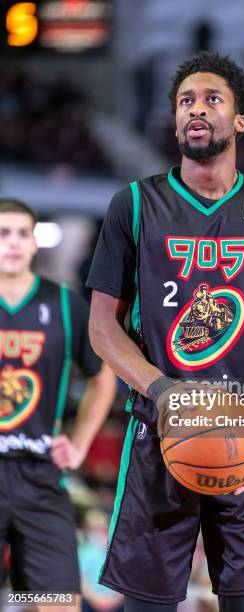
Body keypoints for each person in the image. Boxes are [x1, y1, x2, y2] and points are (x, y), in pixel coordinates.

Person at [87, 52, 244, 612]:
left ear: (240, 119)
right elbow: (103, 328)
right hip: (156, 430)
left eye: (212, 99)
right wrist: (165, 393)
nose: (197, 109)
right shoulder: (135, 205)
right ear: (174, 122)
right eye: (185, 101)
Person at [0, 198, 116, 610]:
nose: (12, 242)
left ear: (34, 244)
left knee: (58, 602)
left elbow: (104, 376)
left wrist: (80, 442)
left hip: (40, 479)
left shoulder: (65, 305)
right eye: (2, 233)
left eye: (21, 234)